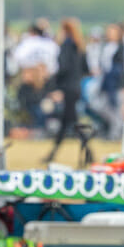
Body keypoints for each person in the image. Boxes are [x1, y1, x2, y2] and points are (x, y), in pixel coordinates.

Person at [43, 17, 86, 164]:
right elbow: (85, 68)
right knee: (68, 122)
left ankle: (86, 152)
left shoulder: (66, 46)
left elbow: (63, 68)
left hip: (67, 89)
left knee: (71, 122)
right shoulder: (79, 46)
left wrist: (54, 85)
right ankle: (52, 154)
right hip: (76, 88)